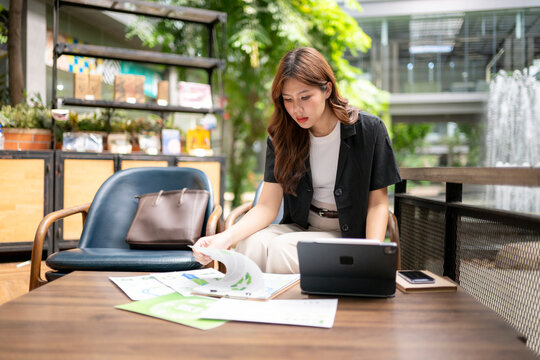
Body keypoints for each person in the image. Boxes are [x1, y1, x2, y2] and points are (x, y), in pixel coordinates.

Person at [193, 47, 401, 273]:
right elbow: (266, 207)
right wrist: (223, 239)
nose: (296, 109)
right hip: (302, 227)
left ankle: (293, 308)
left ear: (327, 89)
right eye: (288, 100)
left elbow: (378, 204)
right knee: (250, 244)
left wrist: (370, 255)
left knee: (283, 249)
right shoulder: (282, 136)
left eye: (305, 97)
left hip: (348, 233)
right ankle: (247, 306)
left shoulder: (369, 130)